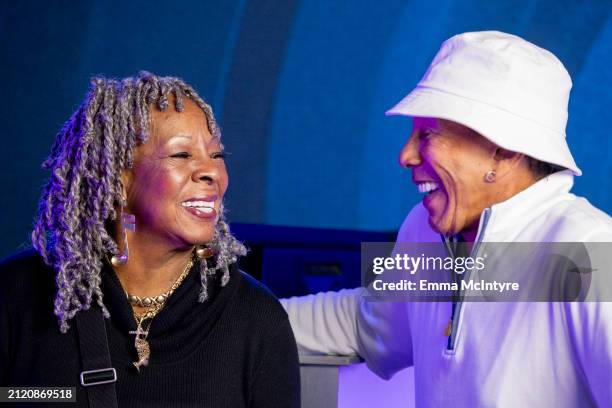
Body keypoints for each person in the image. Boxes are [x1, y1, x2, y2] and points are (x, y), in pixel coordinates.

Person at [281, 31, 612, 407]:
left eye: (427, 134)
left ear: (503, 151)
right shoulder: (424, 230)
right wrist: (230, 315)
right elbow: (366, 322)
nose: (405, 155)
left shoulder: (591, 250)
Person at [0, 72, 300, 407]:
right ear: (116, 179)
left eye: (217, 156)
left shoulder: (256, 319)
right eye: (181, 155)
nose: (212, 172)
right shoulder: (16, 296)